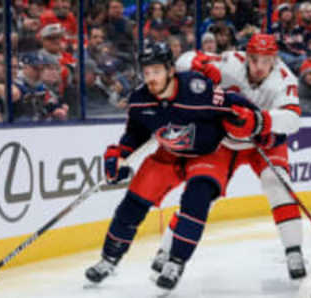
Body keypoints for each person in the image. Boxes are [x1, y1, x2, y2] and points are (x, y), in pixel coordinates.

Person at [84, 42, 263, 292]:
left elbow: (235, 103)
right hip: (168, 154)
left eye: (156, 71)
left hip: (208, 153)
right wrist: (119, 155)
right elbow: (135, 134)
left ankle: (175, 263)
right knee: (132, 204)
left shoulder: (196, 88)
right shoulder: (139, 100)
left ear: (170, 70)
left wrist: (254, 121)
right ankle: (108, 260)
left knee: (196, 199)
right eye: (146, 73)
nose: (151, 79)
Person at [155, 34, 306, 281]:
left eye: (266, 61)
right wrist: (199, 67)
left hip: (262, 139)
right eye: (254, 59)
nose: (259, 66)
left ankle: (293, 250)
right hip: (223, 140)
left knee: (277, 182)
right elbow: (185, 60)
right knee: (201, 192)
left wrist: (260, 121)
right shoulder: (230, 62)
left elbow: (293, 120)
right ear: (246, 57)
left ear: (275, 60)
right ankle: (167, 250)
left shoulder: (285, 80)